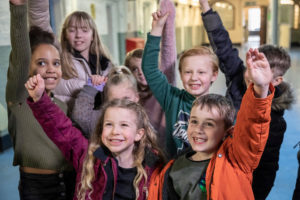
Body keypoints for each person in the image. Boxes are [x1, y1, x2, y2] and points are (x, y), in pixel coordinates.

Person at [148, 48, 275, 200]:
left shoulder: (236, 160)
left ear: (226, 130)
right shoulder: (172, 168)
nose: (198, 129)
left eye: (209, 124)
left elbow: (253, 125)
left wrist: (261, 88)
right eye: (194, 121)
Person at [199, 0, 295, 198]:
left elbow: (267, 165)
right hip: (216, 166)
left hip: (241, 181)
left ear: (276, 80)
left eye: (262, 73)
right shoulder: (238, 76)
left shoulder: (275, 121)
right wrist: (206, 8)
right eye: (252, 68)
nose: (252, 76)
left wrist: (255, 194)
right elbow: (222, 44)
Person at [25, 73, 165, 199]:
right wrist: (39, 99)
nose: (115, 131)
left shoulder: (153, 164)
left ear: (138, 134)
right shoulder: (90, 157)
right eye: (109, 124)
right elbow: (62, 129)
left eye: (124, 125)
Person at [6, 0, 75, 199]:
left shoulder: (61, 105)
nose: (51, 69)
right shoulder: (20, 98)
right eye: (41, 63)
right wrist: (18, 10)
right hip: (38, 188)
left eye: (56, 63)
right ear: (28, 67)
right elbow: (20, 55)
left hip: (69, 182)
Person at [142, 10, 219, 157]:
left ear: (214, 75)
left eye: (201, 72)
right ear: (180, 74)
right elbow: (149, 69)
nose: (194, 78)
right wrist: (156, 30)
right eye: (188, 72)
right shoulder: (172, 99)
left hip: (205, 174)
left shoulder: (219, 109)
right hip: (175, 172)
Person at [28, 0, 113, 113]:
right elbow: (40, 22)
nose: (78, 35)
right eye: (72, 30)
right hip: (71, 124)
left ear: (93, 35)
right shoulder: (58, 57)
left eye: (84, 30)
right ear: (65, 34)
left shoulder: (105, 63)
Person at [71, 65, 139, 138]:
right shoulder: (100, 118)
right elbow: (80, 118)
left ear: (136, 98)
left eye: (126, 99)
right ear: (107, 102)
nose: (121, 105)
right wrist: (90, 89)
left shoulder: (141, 118)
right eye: (115, 101)